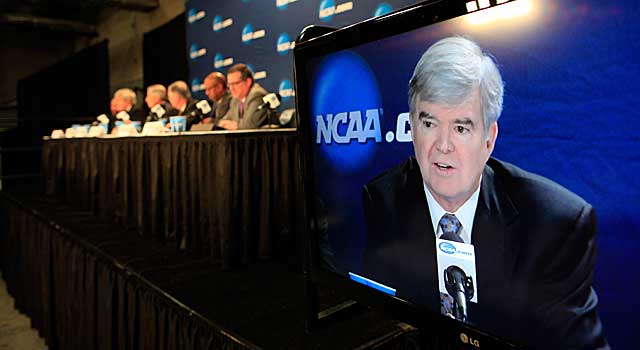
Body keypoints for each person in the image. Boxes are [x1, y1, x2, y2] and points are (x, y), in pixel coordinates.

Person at [361, 36, 608, 349]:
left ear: (489, 139)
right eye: (430, 123)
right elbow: (385, 318)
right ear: (412, 127)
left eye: (461, 128)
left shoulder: (556, 225)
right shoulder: (384, 199)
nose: (443, 145)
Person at [217, 63, 269, 130]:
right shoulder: (236, 99)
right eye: (229, 85)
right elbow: (223, 122)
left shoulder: (257, 95)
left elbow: (249, 125)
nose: (232, 88)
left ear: (248, 82)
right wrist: (228, 124)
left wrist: (235, 125)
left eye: (235, 83)